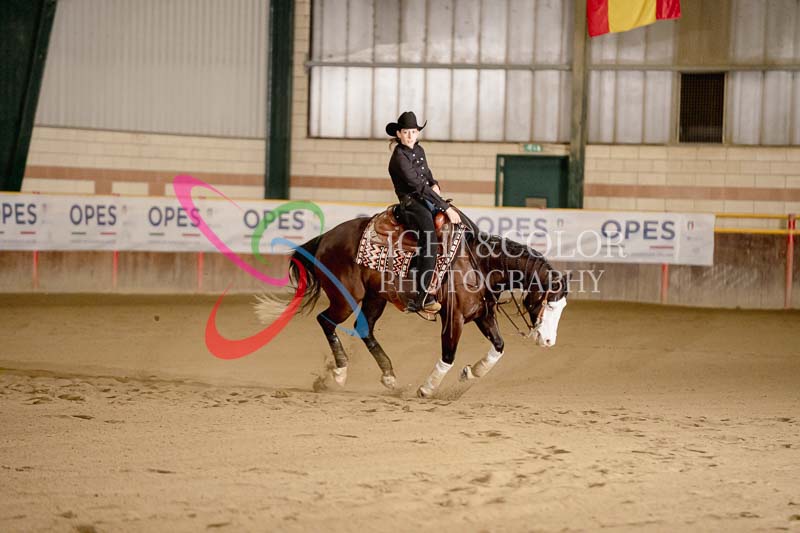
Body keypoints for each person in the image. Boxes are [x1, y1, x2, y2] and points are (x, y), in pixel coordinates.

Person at [386, 111, 462, 314]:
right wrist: (445, 206)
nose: (410, 135)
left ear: (417, 133)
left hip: (425, 198)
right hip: (411, 203)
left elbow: (426, 175)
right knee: (429, 239)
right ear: (399, 134)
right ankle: (422, 297)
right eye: (406, 132)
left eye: (413, 131)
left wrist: (435, 184)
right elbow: (418, 186)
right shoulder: (399, 157)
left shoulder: (419, 150)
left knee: (455, 224)